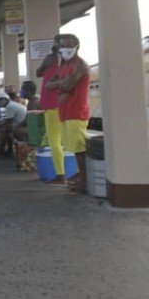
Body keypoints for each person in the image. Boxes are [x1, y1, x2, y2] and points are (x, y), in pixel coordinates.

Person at [51, 34, 91, 192]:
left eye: (69, 46)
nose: (65, 49)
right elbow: (49, 84)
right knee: (74, 147)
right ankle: (81, 175)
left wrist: (60, 85)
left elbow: (66, 86)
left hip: (77, 112)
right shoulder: (64, 66)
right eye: (62, 46)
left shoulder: (80, 66)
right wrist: (62, 84)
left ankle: (85, 180)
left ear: (77, 47)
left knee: (80, 148)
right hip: (65, 111)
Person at [36, 40, 65, 183]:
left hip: (52, 105)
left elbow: (37, 72)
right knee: (68, 141)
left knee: (54, 142)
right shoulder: (69, 64)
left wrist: (45, 65)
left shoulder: (50, 58)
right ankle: (76, 173)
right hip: (64, 104)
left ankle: (61, 175)